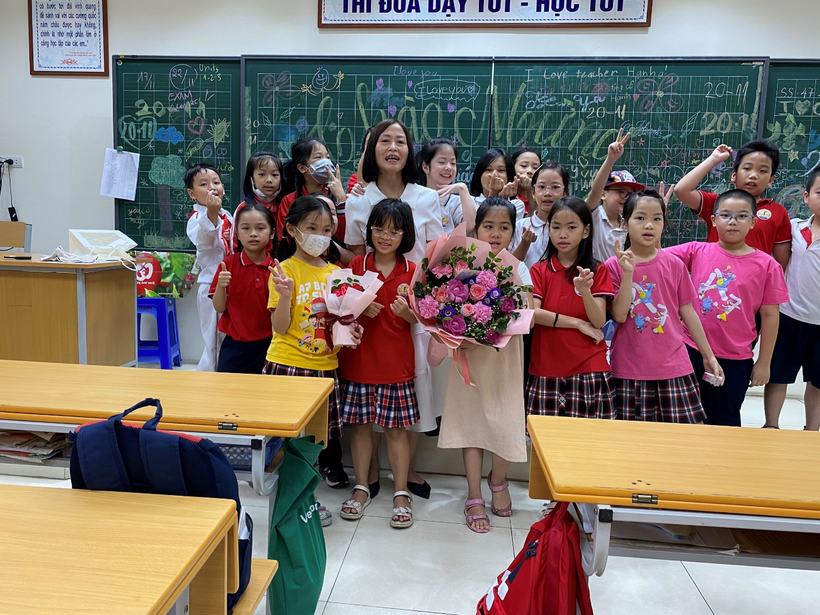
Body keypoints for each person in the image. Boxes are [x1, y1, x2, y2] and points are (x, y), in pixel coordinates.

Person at [345, 118, 444, 500]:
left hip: (413, 308)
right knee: (368, 400)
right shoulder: (358, 199)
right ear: (372, 150)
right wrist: (358, 300)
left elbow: (437, 257)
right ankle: (367, 474)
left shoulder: (427, 197)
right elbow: (356, 258)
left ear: (410, 150)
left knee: (413, 392)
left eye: (400, 141)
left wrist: (423, 306)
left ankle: (406, 473)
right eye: (384, 140)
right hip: (374, 314)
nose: (392, 147)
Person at [436, 197, 532, 534]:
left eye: (504, 227)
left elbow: (529, 313)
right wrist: (457, 327)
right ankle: (474, 494)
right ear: (476, 229)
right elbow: (444, 308)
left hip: (504, 360)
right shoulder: (461, 264)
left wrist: (501, 312)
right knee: (471, 425)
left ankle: (498, 480)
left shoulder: (520, 267)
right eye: (488, 226)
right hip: (470, 357)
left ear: (513, 232)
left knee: (505, 422)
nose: (495, 233)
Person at [265, 195, 362, 524]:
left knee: (315, 442)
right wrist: (286, 295)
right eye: (312, 228)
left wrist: (353, 332)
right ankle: (290, 496)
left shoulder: (338, 274)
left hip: (324, 370)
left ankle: (307, 496)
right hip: (288, 364)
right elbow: (279, 328)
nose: (320, 236)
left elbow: (343, 325)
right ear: (292, 230)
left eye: (327, 230)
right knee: (286, 438)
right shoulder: (285, 271)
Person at [665, 189, 789, 426]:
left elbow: (770, 316)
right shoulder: (696, 251)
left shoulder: (767, 265)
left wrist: (764, 362)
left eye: (742, 216)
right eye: (725, 215)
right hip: (690, 350)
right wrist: (657, 216)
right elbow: (653, 257)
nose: (733, 221)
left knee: (724, 420)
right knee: (683, 417)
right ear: (714, 220)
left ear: (753, 222)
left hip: (735, 358)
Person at [606, 190, 723, 423]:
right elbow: (619, 315)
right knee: (634, 438)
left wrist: (708, 356)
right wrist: (628, 272)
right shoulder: (613, 265)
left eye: (657, 218)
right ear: (625, 223)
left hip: (674, 366)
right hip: (630, 368)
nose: (649, 225)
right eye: (640, 218)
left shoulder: (674, 264)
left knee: (684, 435)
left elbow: (688, 311)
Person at [338, 199, 419, 529]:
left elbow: (425, 320)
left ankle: (401, 493)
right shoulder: (357, 264)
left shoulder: (413, 271)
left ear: (405, 235)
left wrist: (407, 314)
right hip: (358, 361)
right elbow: (337, 309)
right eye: (379, 229)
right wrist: (358, 305)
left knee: (396, 431)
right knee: (360, 428)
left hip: (396, 364)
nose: (386, 236)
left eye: (394, 231)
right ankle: (361, 487)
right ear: (369, 230)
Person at [527, 196, 615, 419]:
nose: (563, 234)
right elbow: (533, 314)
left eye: (571, 227)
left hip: (589, 367)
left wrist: (585, 291)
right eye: (556, 227)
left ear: (586, 231)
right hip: (546, 367)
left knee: (591, 437)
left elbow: (598, 321)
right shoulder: (539, 270)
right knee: (545, 438)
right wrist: (577, 323)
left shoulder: (598, 270)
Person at [673, 140, 791, 269]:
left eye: (762, 171)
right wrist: (713, 159)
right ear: (734, 175)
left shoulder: (778, 212)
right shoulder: (717, 204)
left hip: (753, 279)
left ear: (771, 180)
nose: (753, 175)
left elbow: (781, 265)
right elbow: (681, 190)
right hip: (714, 277)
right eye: (747, 168)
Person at [763, 167, 820, 430]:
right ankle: (771, 426)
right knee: (778, 375)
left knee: (817, 382)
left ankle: (812, 432)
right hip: (788, 316)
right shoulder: (794, 228)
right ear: (806, 197)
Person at [210, 203, 276, 374]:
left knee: (265, 389)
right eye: (246, 228)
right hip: (234, 346)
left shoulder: (277, 269)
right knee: (229, 389)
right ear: (237, 234)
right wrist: (221, 286)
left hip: (269, 346)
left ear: (272, 232)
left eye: (260, 228)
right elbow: (219, 307)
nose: (253, 234)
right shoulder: (228, 264)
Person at [185, 163, 233, 372]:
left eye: (216, 182)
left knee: (227, 336)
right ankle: (208, 379)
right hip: (211, 285)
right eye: (204, 184)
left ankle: (225, 375)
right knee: (213, 339)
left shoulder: (228, 215)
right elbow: (204, 240)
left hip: (231, 283)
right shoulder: (196, 219)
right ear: (192, 193)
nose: (212, 187)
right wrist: (211, 214)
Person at [583, 129, 646, 264]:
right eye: (621, 191)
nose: (626, 197)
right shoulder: (595, 216)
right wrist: (610, 160)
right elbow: (595, 190)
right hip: (597, 276)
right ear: (603, 194)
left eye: (630, 194)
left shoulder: (630, 223)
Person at [279, 138, 348, 243]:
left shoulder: (338, 197)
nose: (326, 162)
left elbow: (346, 238)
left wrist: (342, 200)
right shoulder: (289, 201)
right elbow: (284, 240)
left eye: (328, 157)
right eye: (318, 157)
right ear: (302, 168)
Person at [511, 162, 571, 269]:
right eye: (541, 187)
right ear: (533, 192)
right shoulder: (520, 226)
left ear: (565, 192)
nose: (547, 193)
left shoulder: (571, 228)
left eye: (555, 187)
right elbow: (510, 266)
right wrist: (524, 243)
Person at [417, 137, 476, 235]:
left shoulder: (455, 202)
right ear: (425, 167)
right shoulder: (415, 197)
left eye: (453, 163)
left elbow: (470, 226)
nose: (448, 167)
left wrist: (462, 188)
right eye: (441, 162)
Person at [231, 151, 282, 255]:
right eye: (262, 174)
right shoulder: (243, 208)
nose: (269, 180)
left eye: (275, 175)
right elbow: (234, 245)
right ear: (251, 179)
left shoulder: (283, 207)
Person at [469, 148, 527, 221]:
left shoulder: (517, 205)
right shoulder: (469, 202)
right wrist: (493, 194)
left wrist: (503, 199)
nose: (494, 175)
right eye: (489, 170)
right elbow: (481, 225)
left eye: (501, 170)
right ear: (479, 174)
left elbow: (503, 225)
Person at [511, 147, 541, 214]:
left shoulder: (543, 197)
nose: (530, 171)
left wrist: (529, 190)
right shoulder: (506, 195)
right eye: (524, 166)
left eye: (535, 168)